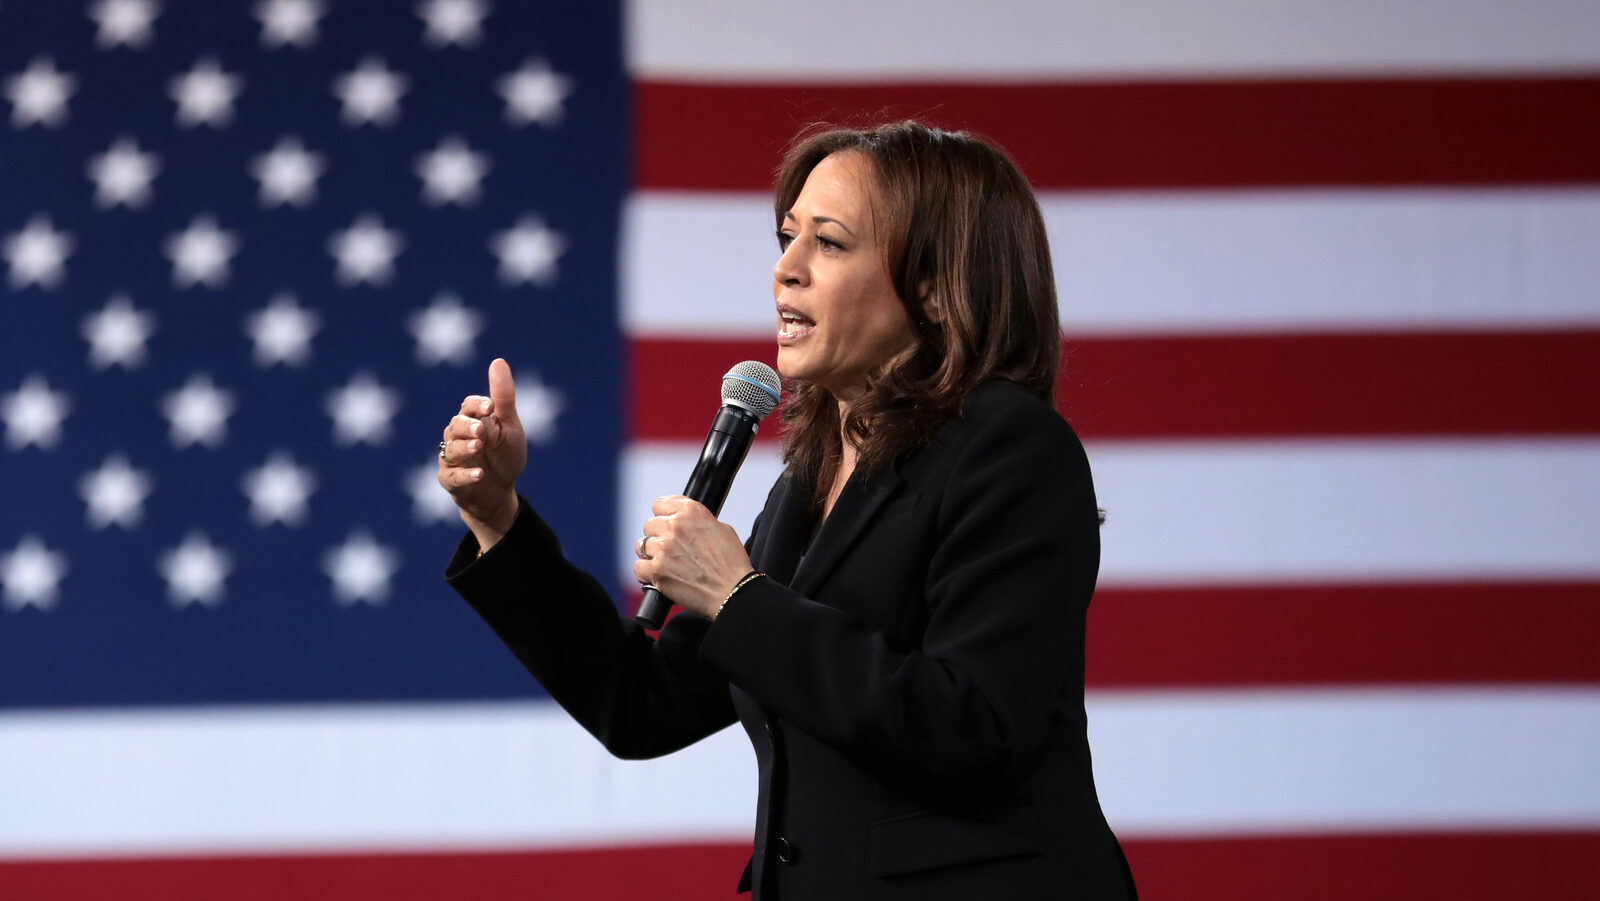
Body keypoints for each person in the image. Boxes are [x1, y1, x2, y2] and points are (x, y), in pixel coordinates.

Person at [436, 120, 1137, 900]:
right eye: (786, 237)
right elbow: (641, 702)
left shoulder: (1012, 449)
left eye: (830, 243)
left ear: (937, 288)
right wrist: (498, 516)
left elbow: (969, 727)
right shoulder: (808, 480)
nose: (785, 270)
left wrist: (738, 597)